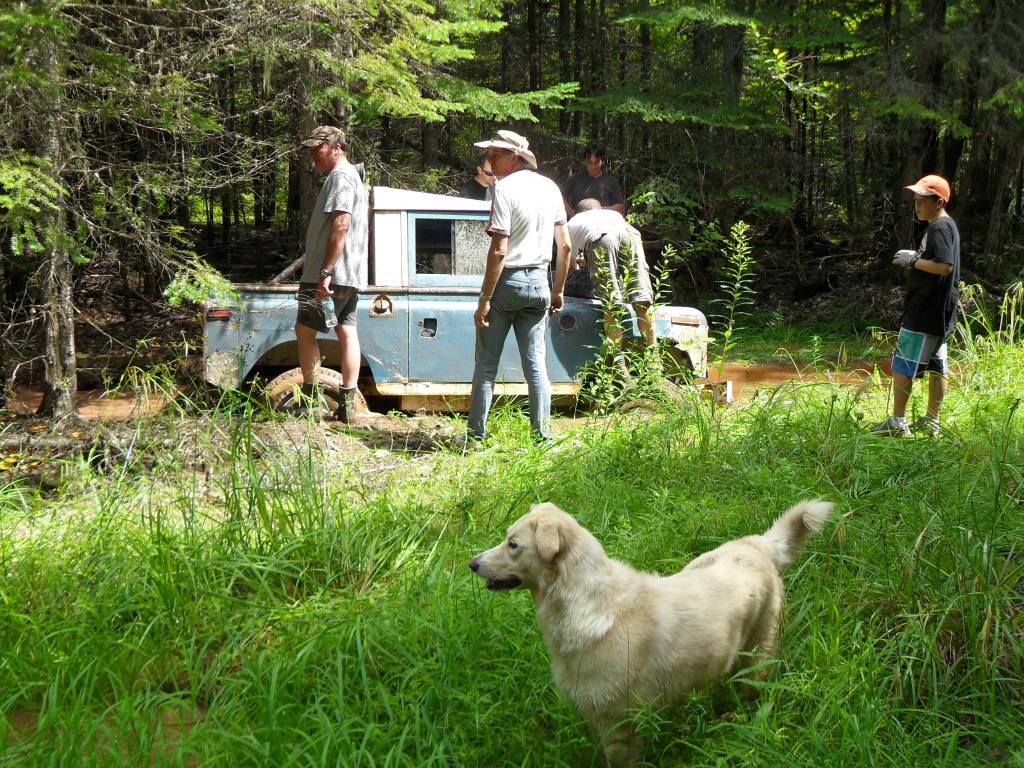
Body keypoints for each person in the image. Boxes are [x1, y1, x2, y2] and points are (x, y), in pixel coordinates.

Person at [468, 129, 571, 443]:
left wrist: (485, 299)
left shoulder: (504, 189)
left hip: (508, 282)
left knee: (486, 365)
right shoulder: (550, 187)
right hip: (540, 282)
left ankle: (476, 437)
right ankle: (542, 436)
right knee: (536, 365)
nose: (490, 161)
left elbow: (499, 250)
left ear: (513, 157)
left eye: (495, 155)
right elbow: (565, 246)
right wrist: (558, 290)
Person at [871, 174, 960, 437]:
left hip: (924, 310)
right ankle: (932, 421)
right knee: (937, 367)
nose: (917, 206)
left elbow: (945, 266)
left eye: (922, 201)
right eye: (915, 201)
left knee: (902, 365)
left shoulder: (939, 228)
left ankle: (898, 423)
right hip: (939, 312)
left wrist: (912, 261)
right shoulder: (946, 225)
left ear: (939, 201)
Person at [295, 125, 369, 422]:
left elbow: (341, 224)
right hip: (349, 275)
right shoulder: (353, 178)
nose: (314, 155)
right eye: (311, 149)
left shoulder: (341, 177)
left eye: (319, 148)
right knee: (346, 332)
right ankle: (348, 407)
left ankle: (311, 404)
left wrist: (325, 271)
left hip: (329, 276)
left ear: (337, 148)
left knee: (304, 331)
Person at [566, 199, 656, 375]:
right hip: (631, 234)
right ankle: (654, 361)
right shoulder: (612, 214)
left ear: (577, 212)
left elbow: (571, 265)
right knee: (641, 298)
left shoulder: (572, 223)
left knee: (611, 302)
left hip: (601, 237)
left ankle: (617, 364)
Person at [561, 143, 626, 217]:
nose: (593, 166)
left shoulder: (611, 181)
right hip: (579, 222)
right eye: (590, 162)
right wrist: (570, 211)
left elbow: (621, 207)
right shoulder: (576, 178)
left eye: (597, 162)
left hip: (602, 222)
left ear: (602, 161)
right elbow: (557, 193)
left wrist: (600, 210)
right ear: (585, 161)